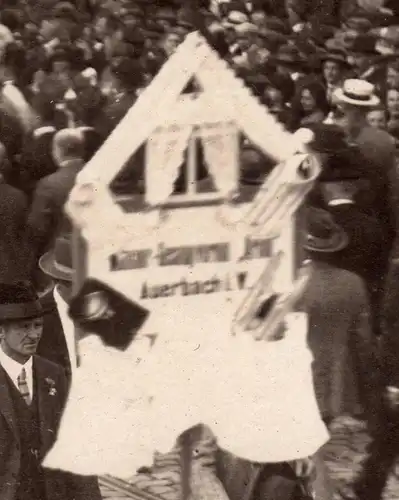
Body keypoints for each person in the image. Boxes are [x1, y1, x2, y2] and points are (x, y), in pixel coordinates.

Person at [0, 282, 101, 500]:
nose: (34, 334)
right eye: (24, 327)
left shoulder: (53, 374)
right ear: (1, 331)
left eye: (38, 325)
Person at [27, 128, 86, 256]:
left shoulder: (48, 184)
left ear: (58, 151)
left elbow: (37, 227)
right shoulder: (102, 176)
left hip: (61, 254)